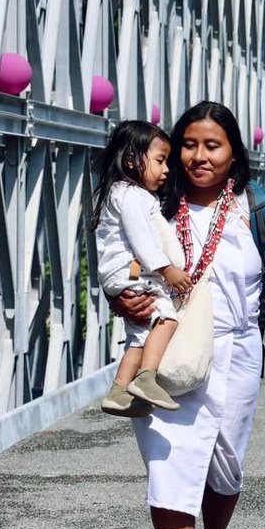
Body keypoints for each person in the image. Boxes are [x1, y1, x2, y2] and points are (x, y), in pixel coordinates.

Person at [111, 101, 265, 529]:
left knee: (225, 463)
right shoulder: (153, 201)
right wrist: (120, 298)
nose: (199, 156)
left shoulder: (252, 203)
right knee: (169, 461)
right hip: (168, 347)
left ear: (232, 153)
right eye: (189, 144)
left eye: (212, 145)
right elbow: (116, 259)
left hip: (236, 350)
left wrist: (256, 311)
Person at [92, 121, 191, 416]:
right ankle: (146, 377)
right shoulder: (133, 196)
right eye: (160, 161)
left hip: (123, 274)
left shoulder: (118, 192)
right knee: (167, 319)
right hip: (133, 272)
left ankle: (120, 391)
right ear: (133, 160)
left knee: (139, 335)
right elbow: (142, 239)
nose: (166, 170)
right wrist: (167, 270)